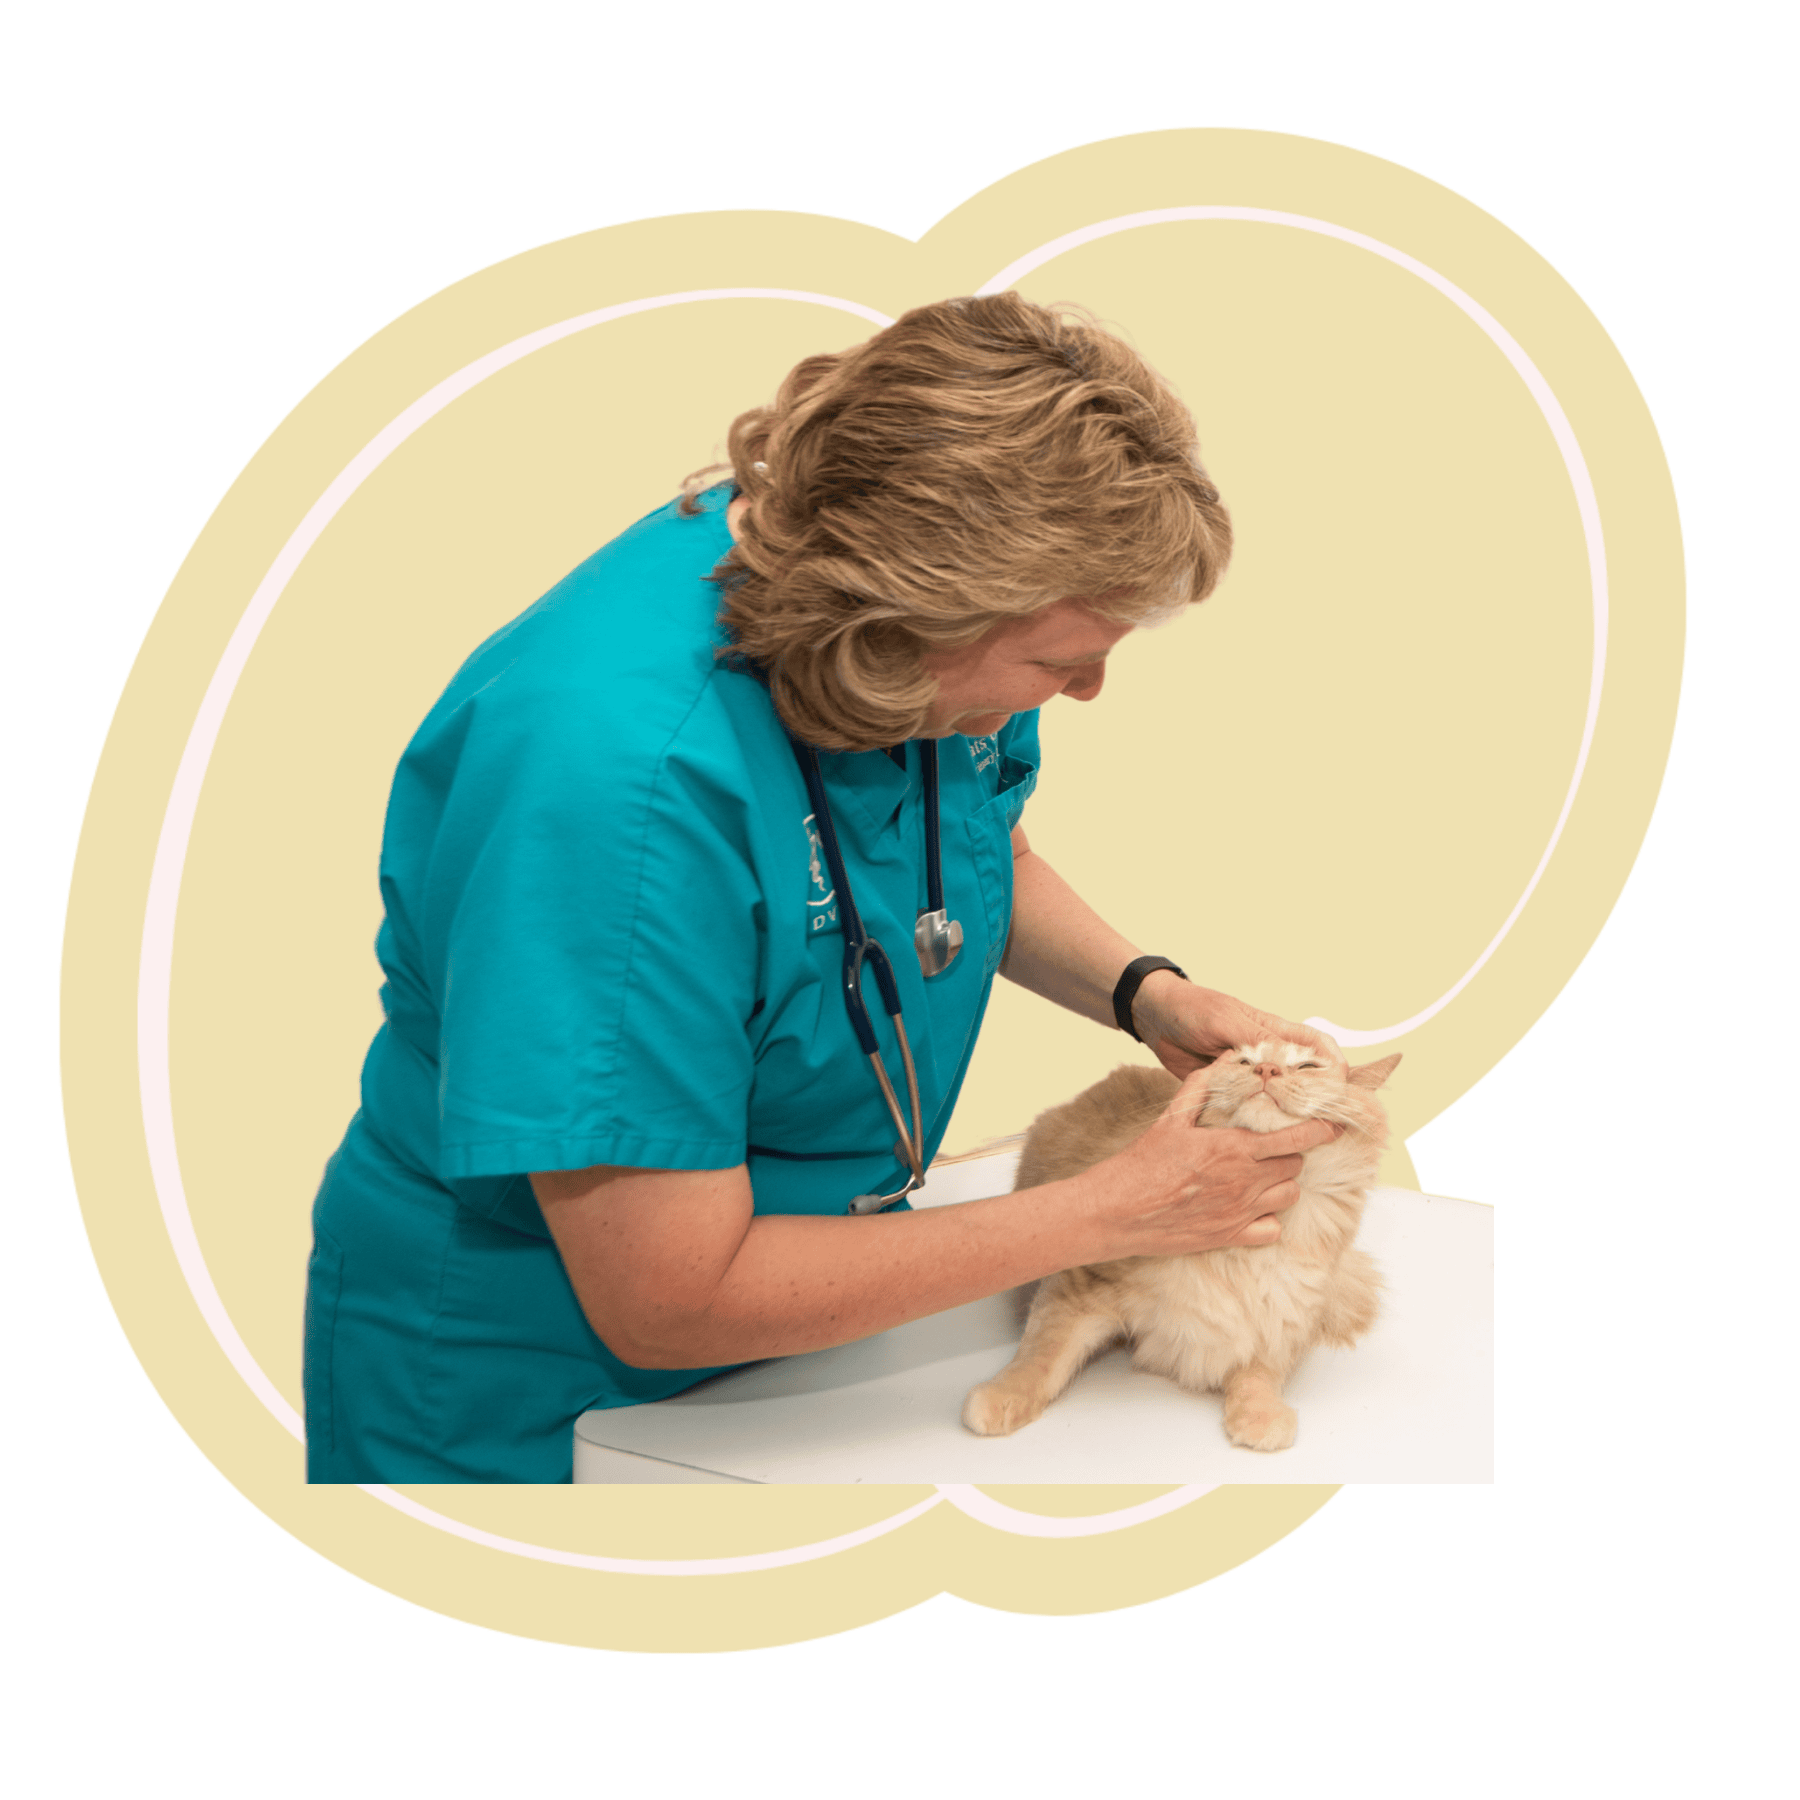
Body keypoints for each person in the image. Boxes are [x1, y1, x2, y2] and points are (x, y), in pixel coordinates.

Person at [302, 293, 1342, 1483]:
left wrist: (1145, 993)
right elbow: (669, 1299)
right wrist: (1114, 1210)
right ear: (914, 611)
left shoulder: (869, 618)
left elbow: (941, 850)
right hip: (527, 1374)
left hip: (804, 1334)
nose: (1092, 688)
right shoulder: (619, 794)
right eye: (1063, 662)